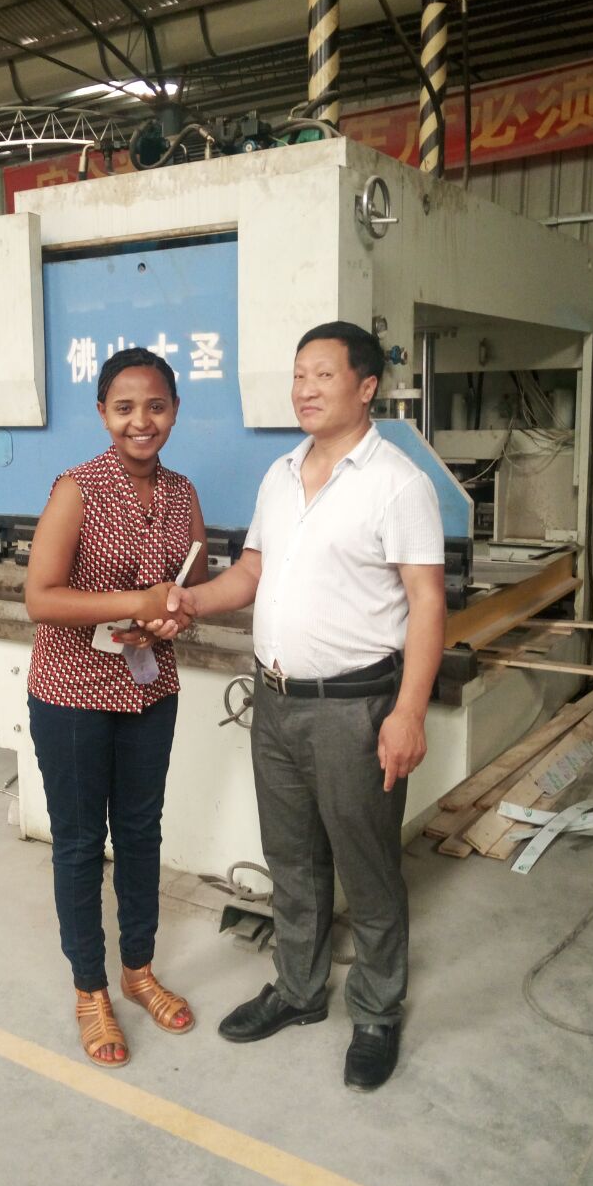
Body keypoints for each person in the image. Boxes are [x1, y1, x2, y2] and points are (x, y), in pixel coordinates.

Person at [155, 320, 445, 1090]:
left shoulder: (397, 484)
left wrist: (408, 712)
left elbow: (427, 601)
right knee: (292, 859)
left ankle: (376, 1009)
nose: (305, 389)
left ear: (366, 386)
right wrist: (190, 602)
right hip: (276, 701)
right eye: (298, 375)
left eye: (322, 375)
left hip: (355, 708)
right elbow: (251, 572)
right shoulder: (280, 475)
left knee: (367, 866)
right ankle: (299, 989)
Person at [24, 347, 207, 1069]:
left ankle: (138, 970)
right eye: (125, 407)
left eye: (156, 406)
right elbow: (41, 598)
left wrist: (169, 619)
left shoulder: (183, 493)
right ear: (103, 413)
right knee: (78, 843)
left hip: (149, 687)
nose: (141, 421)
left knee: (139, 833)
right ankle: (89, 990)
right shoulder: (78, 489)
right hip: (71, 691)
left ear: (174, 412)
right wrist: (135, 600)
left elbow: (190, 584)